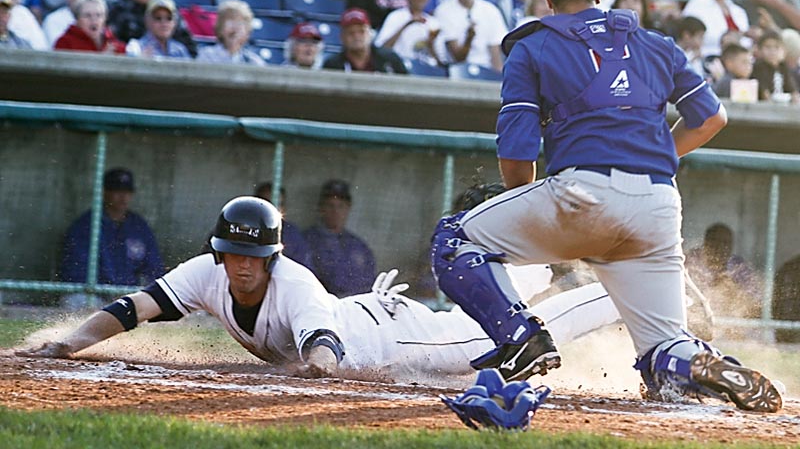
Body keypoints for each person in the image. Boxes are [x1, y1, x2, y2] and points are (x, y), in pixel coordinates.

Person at [429, 0, 781, 413]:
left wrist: (529, 207)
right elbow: (712, 117)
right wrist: (656, 155)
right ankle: (691, 360)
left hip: (581, 196)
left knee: (453, 238)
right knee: (660, 354)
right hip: (658, 204)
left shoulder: (532, 44)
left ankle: (523, 340)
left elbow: (515, 154)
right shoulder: (657, 43)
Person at [17, 196, 621, 381]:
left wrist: (296, 372)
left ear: (272, 255)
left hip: (391, 338)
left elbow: (324, 355)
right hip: (371, 324)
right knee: (487, 353)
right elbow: (134, 307)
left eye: (256, 256)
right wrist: (72, 340)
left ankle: (619, 291)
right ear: (221, 252)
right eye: (235, 255)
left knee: (483, 348)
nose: (243, 267)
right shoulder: (207, 272)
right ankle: (548, 269)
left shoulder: (294, 283)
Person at [59, 167, 164, 288]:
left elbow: (154, 268)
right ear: (104, 192)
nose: (123, 196)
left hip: (129, 294)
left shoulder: (139, 226)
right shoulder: (86, 225)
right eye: (117, 191)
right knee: (76, 301)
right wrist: (107, 291)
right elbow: (75, 271)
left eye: (127, 191)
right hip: (94, 293)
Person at [304, 179, 376, 297]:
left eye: (340, 206)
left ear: (348, 208)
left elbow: (369, 284)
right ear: (321, 208)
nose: (335, 211)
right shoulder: (308, 240)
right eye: (330, 205)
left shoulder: (358, 245)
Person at [433, 0, 506, 72]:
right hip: (455, 72)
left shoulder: (491, 11)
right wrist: (469, 38)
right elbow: (457, 57)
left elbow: (495, 53)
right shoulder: (443, 10)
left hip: (486, 71)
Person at [685, 223, 760, 320]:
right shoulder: (691, 260)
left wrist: (732, 288)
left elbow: (756, 301)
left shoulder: (738, 265)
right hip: (696, 318)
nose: (720, 246)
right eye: (714, 241)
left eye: (725, 242)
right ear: (706, 242)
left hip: (729, 320)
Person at [374, 0, 441, 66]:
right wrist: (407, 25)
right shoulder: (395, 16)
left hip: (426, 71)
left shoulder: (434, 23)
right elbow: (381, 50)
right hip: (399, 69)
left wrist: (431, 44)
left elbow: (440, 63)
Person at [322, 8, 407, 74]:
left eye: (361, 31)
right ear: (342, 37)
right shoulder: (332, 65)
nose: (356, 36)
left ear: (370, 34)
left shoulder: (390, 59)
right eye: (351, 33)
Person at [253, 181, 311, 268]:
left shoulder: (292, 234)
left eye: (279, 204)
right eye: (268, 203)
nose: (273, 208)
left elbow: (303, 267)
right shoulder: (246, 229)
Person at [196, 0, 265, 66]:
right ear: (220, 28)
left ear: (247, 33)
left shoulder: (254, 62)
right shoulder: (206, 55)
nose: (235, 28)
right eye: (230, 21)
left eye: (240, 23)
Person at [53, 0, 125, 54]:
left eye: (98, 15)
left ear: (105, 18)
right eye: (87, 15)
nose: (94, 20)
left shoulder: (116, 46)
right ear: (77, 19)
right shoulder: (65, 44)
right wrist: (102, 60)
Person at [125, 0, 191, 59]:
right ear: (147, 21)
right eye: (158, 18)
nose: (164, 23)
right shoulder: (136, 47)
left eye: (169, 18)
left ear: (175, 22)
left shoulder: (180, 50)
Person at [751, 30, 799, 103]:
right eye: (768, 47)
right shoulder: (758, 67)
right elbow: (763, 90)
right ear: (759, 50)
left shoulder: (784, 67)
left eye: (776, 47)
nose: (772, 51)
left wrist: (795, 97)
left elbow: (791, 88)